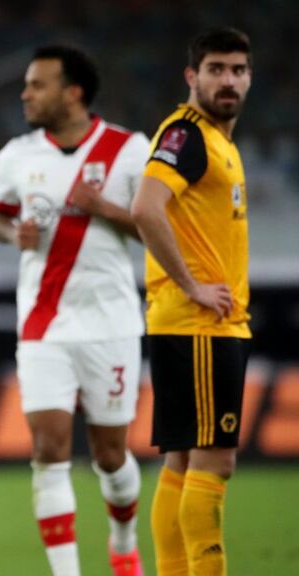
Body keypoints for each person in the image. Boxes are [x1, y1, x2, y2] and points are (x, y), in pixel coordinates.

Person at [0, 45, 149, 576]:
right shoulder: (16, 155)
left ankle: (123, 537)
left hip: (111, 322)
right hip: (42, 323)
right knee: (48, 450)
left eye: (37, 85)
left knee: (109, 456)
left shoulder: (129, 149)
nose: (25, 94)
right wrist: (15, 234)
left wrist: (104, 208)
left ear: (73, 92)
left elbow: (155, 230)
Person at [131, 27, 253, 576]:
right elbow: (146, 208)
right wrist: (192, 285)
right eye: (217, 69)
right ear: (192, 76)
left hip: (192, 325)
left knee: (182, 462)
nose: (228, 80)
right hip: (201, 324)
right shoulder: (189, 133)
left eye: (238, 70)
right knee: (215, 462)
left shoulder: (219, 142)